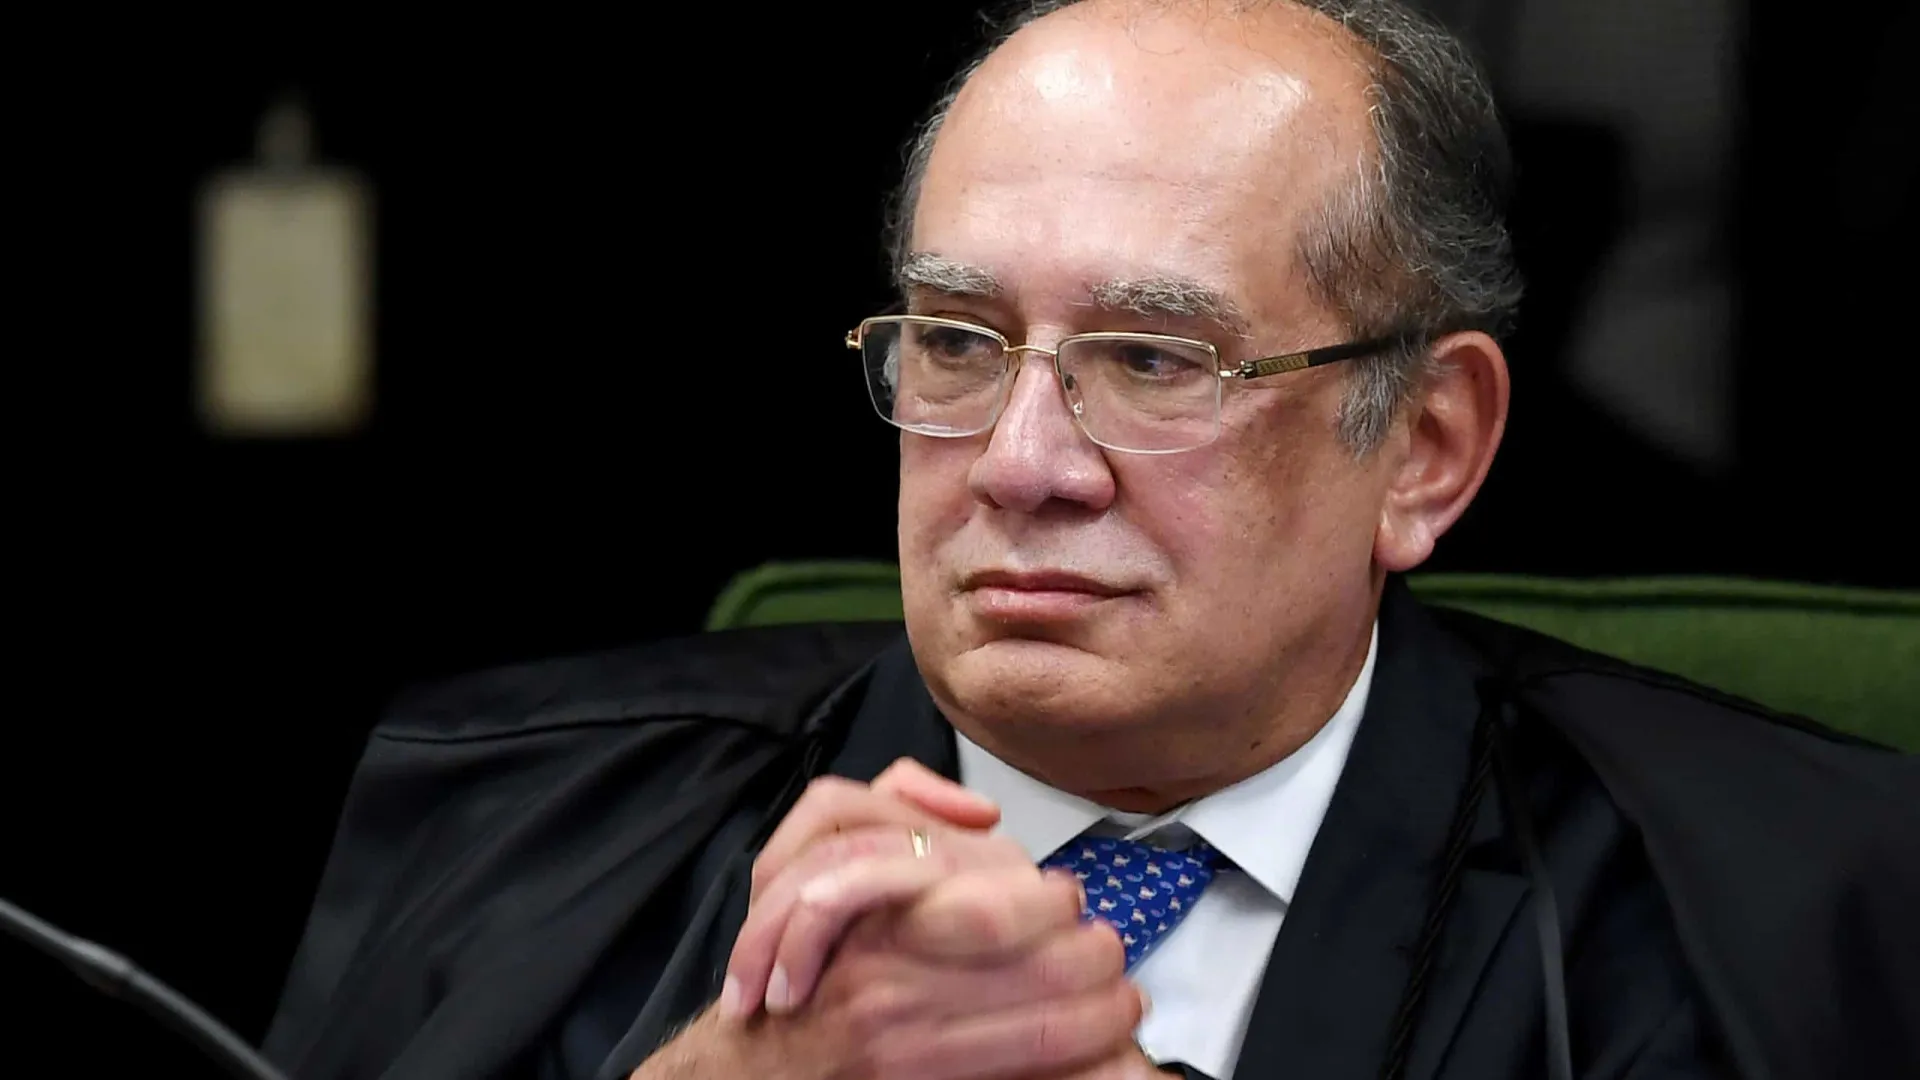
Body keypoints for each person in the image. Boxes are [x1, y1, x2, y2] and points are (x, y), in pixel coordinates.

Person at [261, 2, 1917, 1078]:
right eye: (958, 342)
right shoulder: (508, 815)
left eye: (1155, 362)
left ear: (1425, 448)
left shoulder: (1808, 908)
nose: (1023, 465)